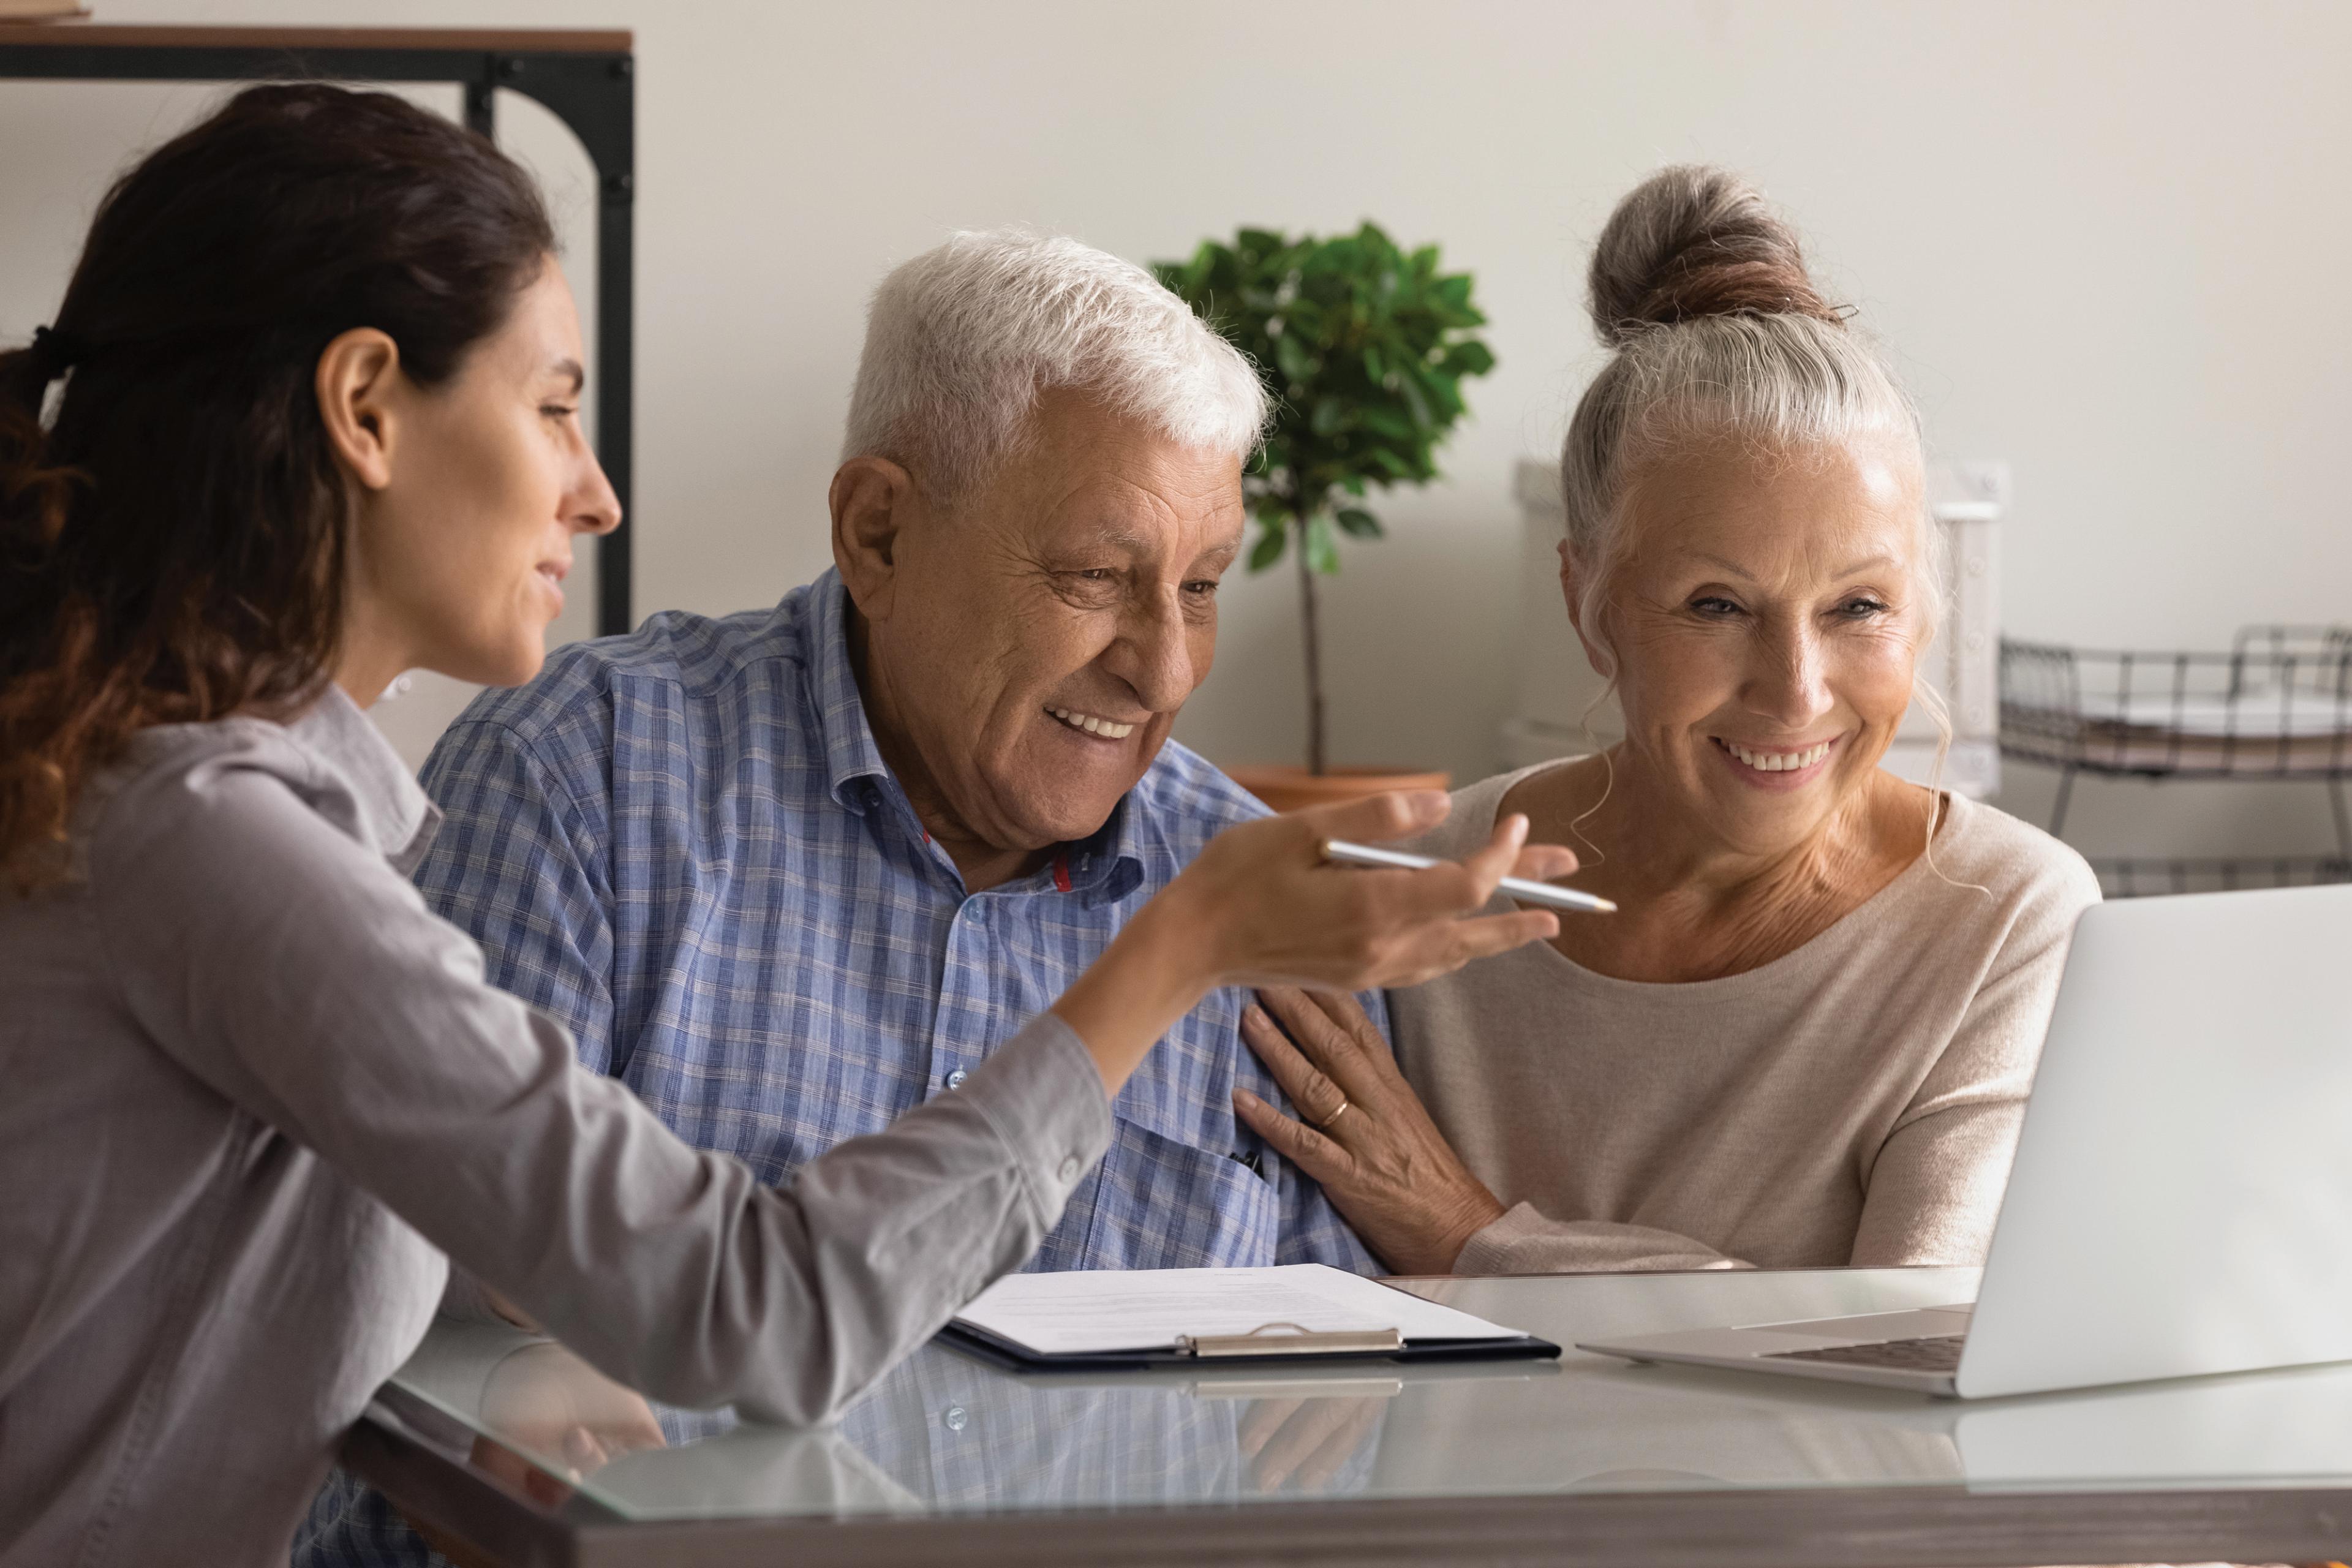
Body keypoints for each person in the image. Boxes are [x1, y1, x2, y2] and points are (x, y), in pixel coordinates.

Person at [0, 85, 1570, 1568]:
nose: (598, 492)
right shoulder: (231, 839)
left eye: (1203, 584)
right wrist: (1179, 949)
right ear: (364, 406)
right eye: (553, 405)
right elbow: (745, 1307)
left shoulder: (234, 817)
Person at [1232, 166, 2101, 1278]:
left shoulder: (2009, 920)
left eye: (1859, 607)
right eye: (1716, 605)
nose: (1794, 689)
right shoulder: (1416, 888)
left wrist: (1473, 1240)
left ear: (1925, 608)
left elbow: (1906, 1353)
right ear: (1587, 604)